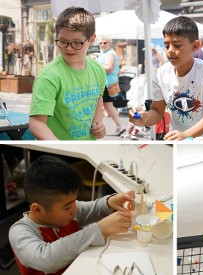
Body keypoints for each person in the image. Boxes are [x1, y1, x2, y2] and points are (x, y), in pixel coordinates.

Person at [9, 155, 135, 275]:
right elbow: (46, 259)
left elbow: (93, 208)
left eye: (74, 201)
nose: (75, 209)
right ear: (37, 210)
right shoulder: (19, 232)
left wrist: (109, 202)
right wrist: (98, 230)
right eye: (68, 206)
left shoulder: (68, 210)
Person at [129, 16, 203, 140]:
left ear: (196, 46)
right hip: (177, 140)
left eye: (177, 45)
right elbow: (157, 111)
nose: (170, 51)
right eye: (167, 46)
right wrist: (144, 118)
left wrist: (186, 135)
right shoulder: (161, 73)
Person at [29, 7, 106, 140]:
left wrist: (98, 123)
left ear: (92, 39)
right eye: (63, 41)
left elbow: (98, 98)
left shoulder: (98, 70)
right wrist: (61, 148)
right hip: (59, 153)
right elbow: (37, 123)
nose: (68, 48)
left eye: (77, 43)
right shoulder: (49, 77)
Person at [96, 36, 124, 135]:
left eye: (105, 43)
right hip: (106, 83)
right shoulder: (104, 54)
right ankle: (119, 125)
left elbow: (109, 69)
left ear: (110, 44)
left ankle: (98, 126)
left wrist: (95, 64)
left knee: (101, 105)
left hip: (107, 84)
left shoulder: (110, 54)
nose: (102, 45)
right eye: (101, 43)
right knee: (107, 106)